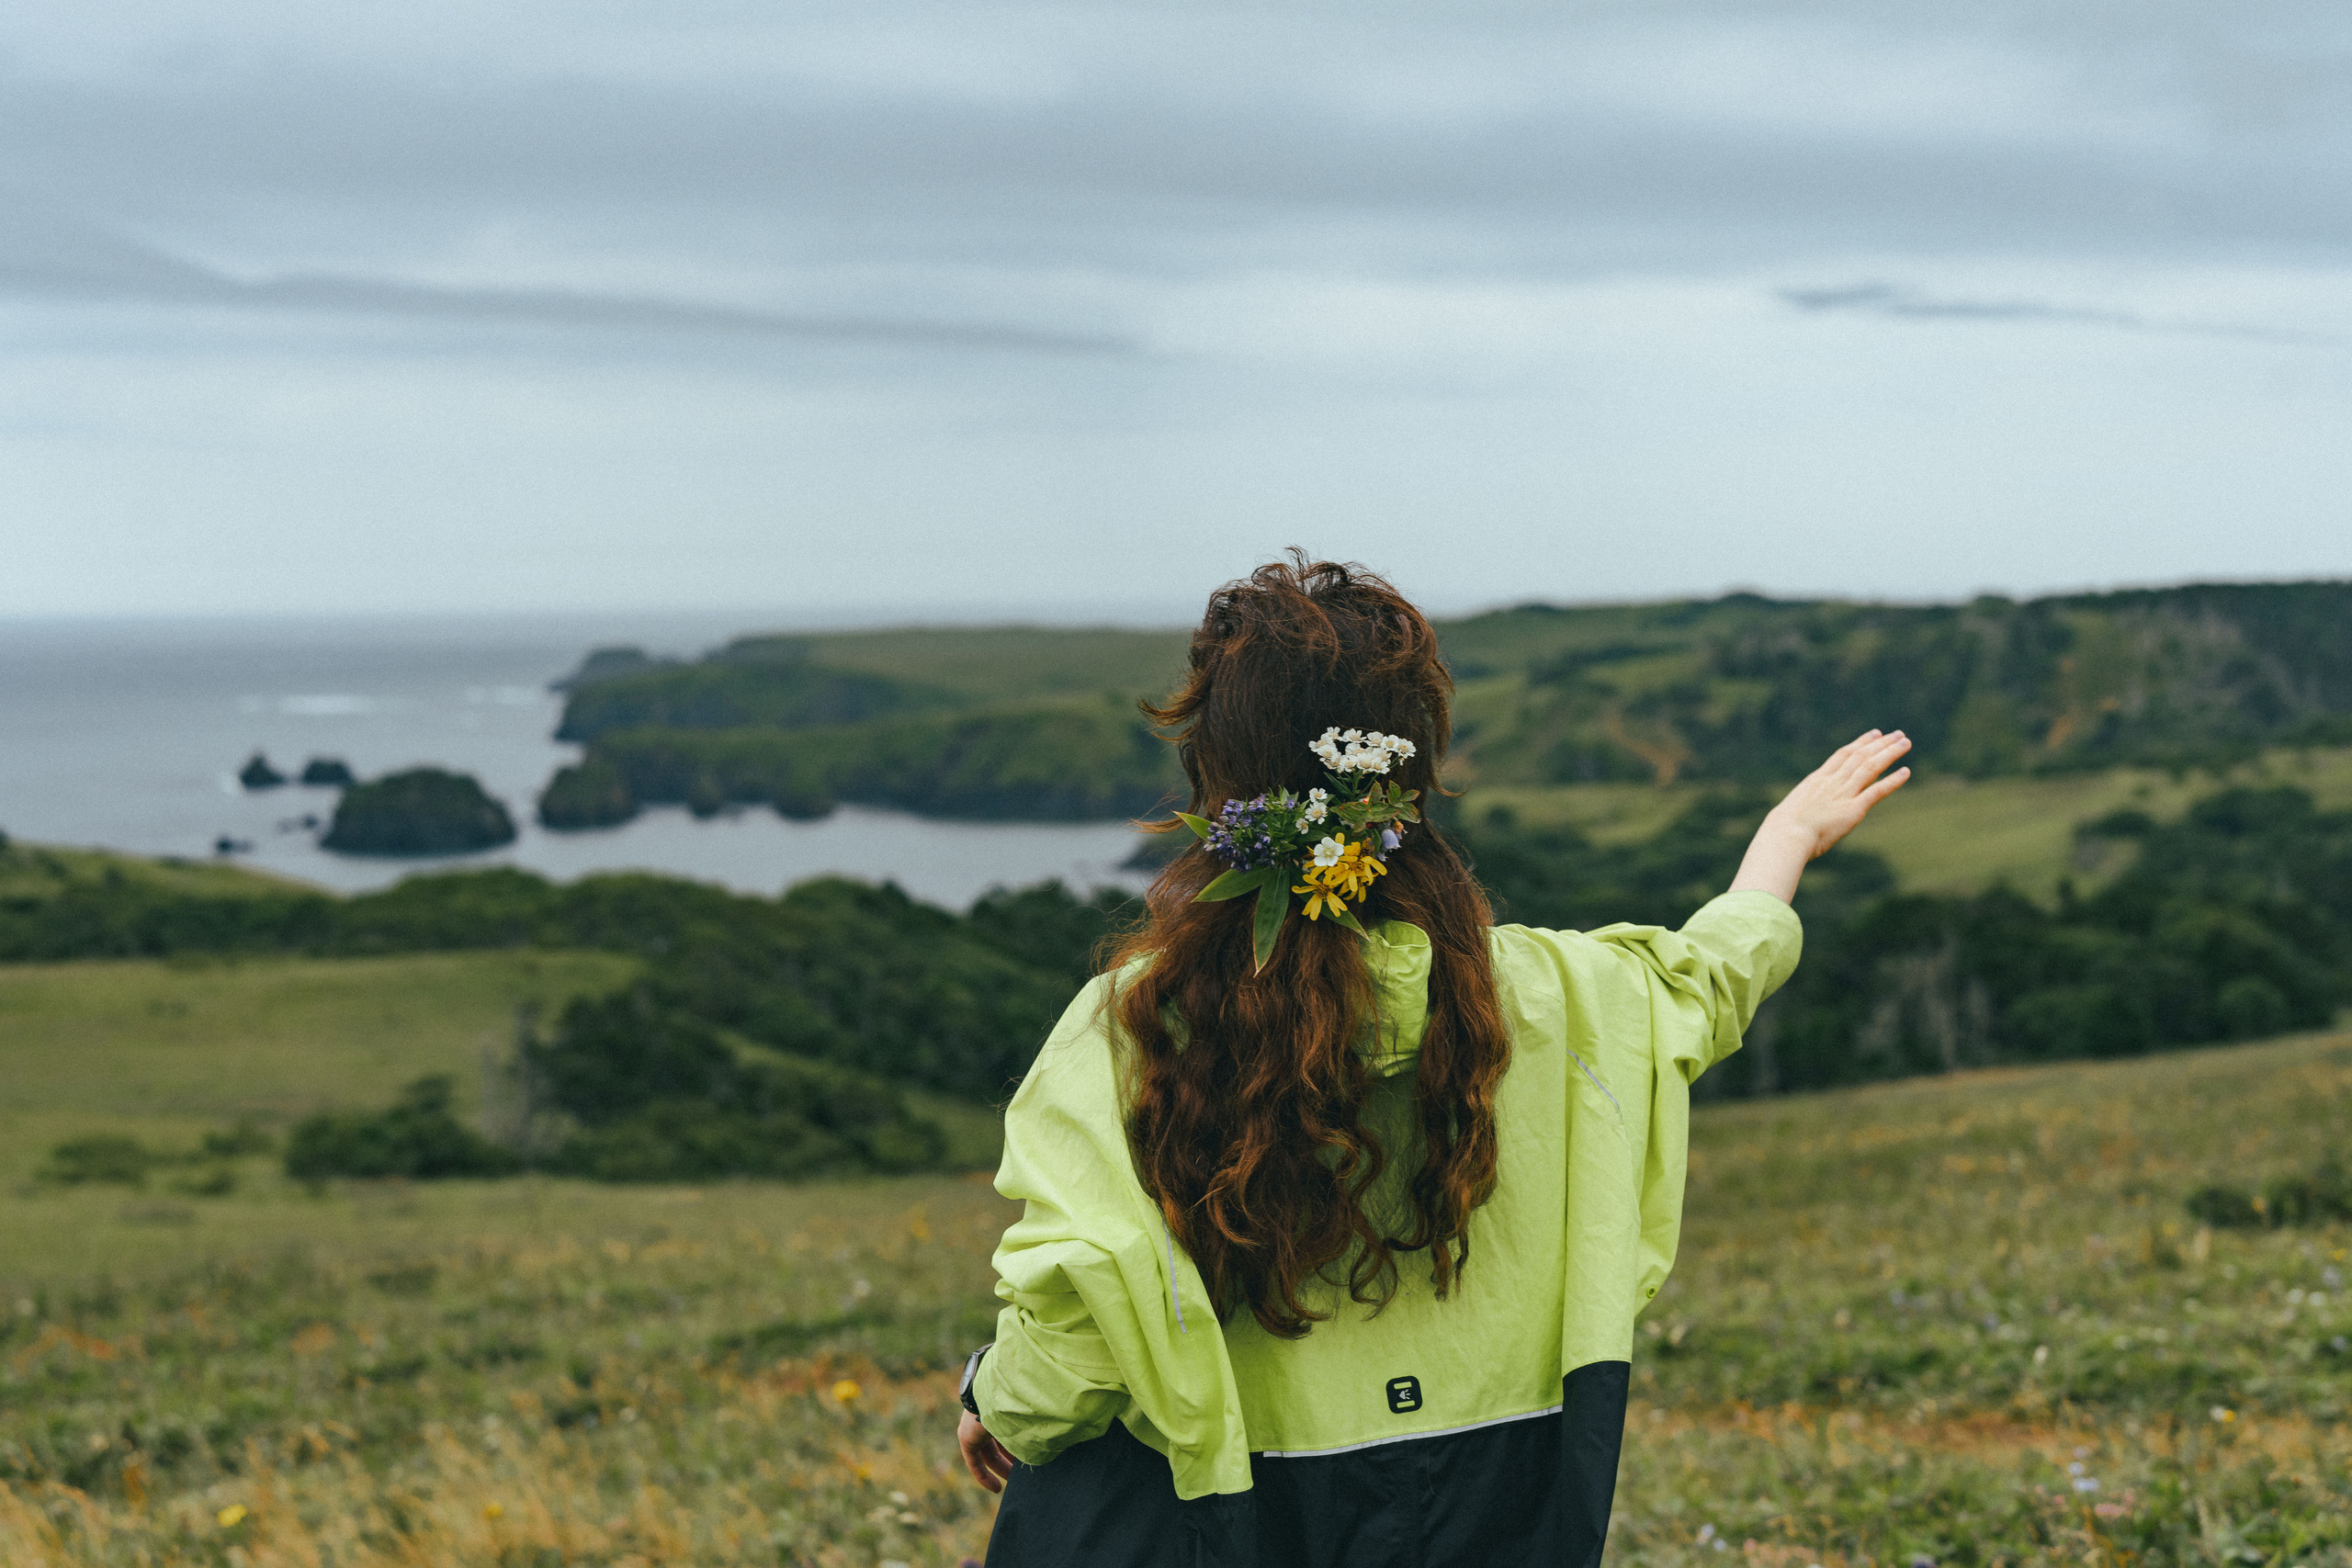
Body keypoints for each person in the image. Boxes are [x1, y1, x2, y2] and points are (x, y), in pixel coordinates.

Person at [953, 556, 1911, 1568]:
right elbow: (1705, 981)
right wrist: (1786, 837)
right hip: (1494, 1494)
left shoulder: (1133, 1024)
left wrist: (997, 1398)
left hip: (1218, 1511)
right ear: (1410, 764)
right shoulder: (1554, 994)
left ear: (1222, 773)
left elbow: (1083, 1308)